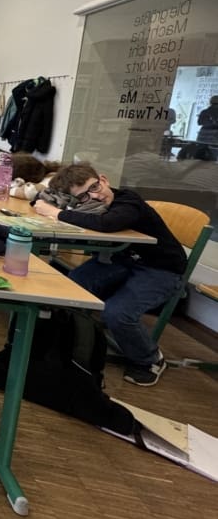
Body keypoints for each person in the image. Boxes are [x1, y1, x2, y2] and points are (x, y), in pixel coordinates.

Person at [32, 164, 186, 386]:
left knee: (116, 313)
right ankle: (72, 342)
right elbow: (39, 201)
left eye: (95, 187)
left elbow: (107, 224)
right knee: (69, 289)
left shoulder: (128, 201)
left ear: (103, 179)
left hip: (161, 268)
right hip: (121, 260)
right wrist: (50, 203)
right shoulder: (88, 206)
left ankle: (150, 359)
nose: (95, 196)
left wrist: (56, 213)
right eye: (84, 196)